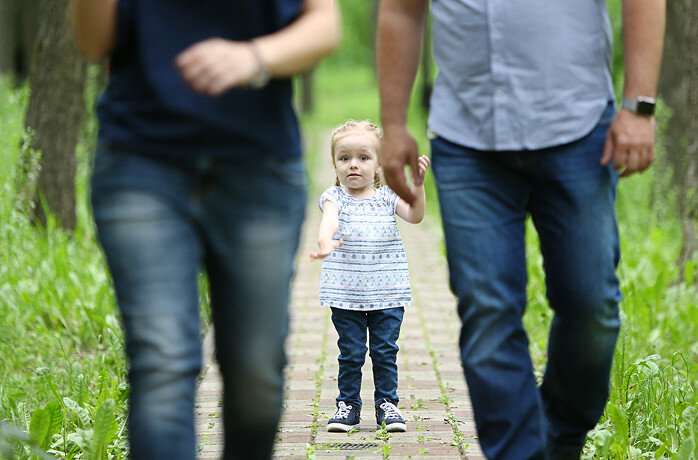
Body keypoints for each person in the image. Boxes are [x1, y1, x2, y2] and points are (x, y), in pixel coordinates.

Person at [376, 0, 664, 458]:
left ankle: (561, 438)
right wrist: (392, 124)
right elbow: (400, 11)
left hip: (579, 128)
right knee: (488, 313)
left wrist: (640, 106)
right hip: (466, 138)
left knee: (592, 306)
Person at [69, 0, 339, 458]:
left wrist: (254, 57)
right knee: (162, 362)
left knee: (256, 371)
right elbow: (93, 42)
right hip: (142, 161)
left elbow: (323, 25)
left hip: (259, 167)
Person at [309, 120, 430, 433]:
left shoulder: (388, 197)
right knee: (350, 353)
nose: (353, 165)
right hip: (346, 293)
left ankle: (387, 404)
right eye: (344, 158)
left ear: (378, 164)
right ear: (334, 164)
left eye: (363, 158)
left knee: (384, 352)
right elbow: (329, 223)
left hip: (387, 292)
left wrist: (417, 185)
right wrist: (325, 242)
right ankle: (347, 405)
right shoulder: (334, 197)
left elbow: (415, 217)